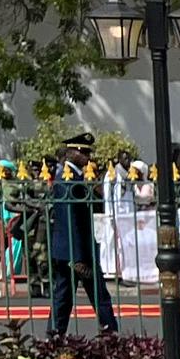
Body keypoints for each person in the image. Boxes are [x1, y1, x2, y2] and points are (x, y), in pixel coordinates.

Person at [46, 134, 115, 338]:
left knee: (67, 295)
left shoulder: (76, 177)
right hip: (75, 251)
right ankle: (109, 331)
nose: (87, 157)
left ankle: (56, 333)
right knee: (91, 294)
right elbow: (70, 220)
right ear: (72, 153)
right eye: (83, 152)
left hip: (74, 249)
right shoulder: (68, 179)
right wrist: (77, 258)